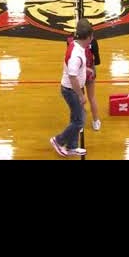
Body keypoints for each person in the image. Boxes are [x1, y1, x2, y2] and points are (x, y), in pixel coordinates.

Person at [50, 23, 92, 157]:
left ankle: (72, 147)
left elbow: (75, 70)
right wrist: (80, 95)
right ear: (89, 37)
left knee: (76, 117)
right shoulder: (76, 55)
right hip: (71, 90)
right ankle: (58, 140)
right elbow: (72, 77)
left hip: (73, 89)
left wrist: (85, 70)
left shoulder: (75, 45)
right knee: (79, 120)